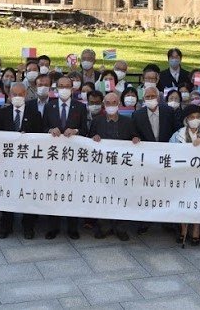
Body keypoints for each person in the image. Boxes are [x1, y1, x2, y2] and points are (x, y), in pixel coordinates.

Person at [0, 82, 41, 239]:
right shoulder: (1, 114)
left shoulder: (35, 114)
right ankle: (6, 226)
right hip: (7, 163)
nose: (17, 97)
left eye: (20, 94)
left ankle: (28, 226)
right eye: (14, 94)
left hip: (28, 163)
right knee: (7, 193)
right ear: (9, 95)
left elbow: (40, 138)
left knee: (28, 192)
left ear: (25, 95)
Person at [89, 90, 138, 241]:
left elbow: (134, 136)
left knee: (121, 197)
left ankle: (120, 227)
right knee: (103, 196)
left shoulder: (128, 122)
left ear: (119, 104)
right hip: (102, 168)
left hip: (121, 168)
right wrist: (93, 138)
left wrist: (136, 138)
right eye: (108, 103)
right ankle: (104, 227)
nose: (111, 105)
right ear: (104, 105)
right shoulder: (97, 121)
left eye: (114, 103)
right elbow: (88, 140)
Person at [43, 75, 87, 240]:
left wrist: (75, 131)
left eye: (66, 86)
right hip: (54, 158)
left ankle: (72, 227)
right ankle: (53, 227)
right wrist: (49, 130)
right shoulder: (49, 106)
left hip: (73, 158)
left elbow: (85, 130)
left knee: (72, 191)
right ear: (56, 89)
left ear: (72, 88)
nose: (63, 89)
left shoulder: (80, 107)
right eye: (60, 86)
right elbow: (43, 127)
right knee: (54, 191)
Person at [172, 105, 200, 246]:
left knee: (198, 203)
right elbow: (171, 152)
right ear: (186, 120)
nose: (195, 120)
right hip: (183, 175)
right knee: (182, 202)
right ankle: (183, 229)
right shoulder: (178, 135)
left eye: (197, 117)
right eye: (191, 117)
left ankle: (196, 229)